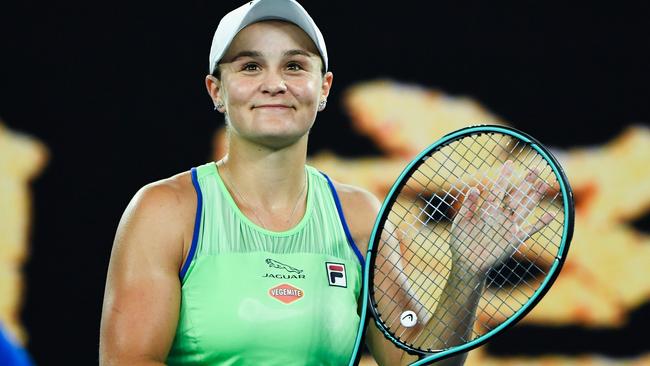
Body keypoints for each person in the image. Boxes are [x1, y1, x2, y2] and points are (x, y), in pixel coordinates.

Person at [100, 0, 547, 365]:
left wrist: (465, 276)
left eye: (294, 66)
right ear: (216, 90)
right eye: (250, 67)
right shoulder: (164, 211)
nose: (274, 84)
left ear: (325, 87)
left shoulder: (360, 217)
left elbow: (418, 363)